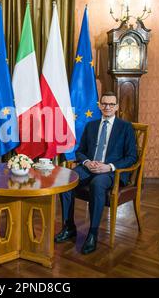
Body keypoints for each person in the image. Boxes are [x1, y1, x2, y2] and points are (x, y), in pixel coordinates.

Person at [55, 92, 137, 254]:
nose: (107, 107)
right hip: (89, 167)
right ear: (99, 106)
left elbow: (132, 157)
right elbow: (80, 151)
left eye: (111, 104)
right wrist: (86, 162)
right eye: (104, 104)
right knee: (66, 180)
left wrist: (110, 167)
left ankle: (92, 234)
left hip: (111, 171)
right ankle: (69, 226)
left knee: (97, 183)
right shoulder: (91, 125)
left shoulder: (125, 127)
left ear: (117, 107)